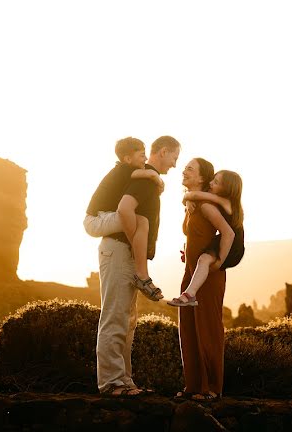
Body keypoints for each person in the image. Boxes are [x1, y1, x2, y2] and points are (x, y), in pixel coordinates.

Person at [95, 135, 181, 397]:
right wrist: (136, 245)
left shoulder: (144, 176)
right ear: (163, 152)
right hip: (121, 250)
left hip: (124, 251)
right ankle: (111, 383)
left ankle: (124, 380)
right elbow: (124, 210)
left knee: (127, 320)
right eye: (175, 158)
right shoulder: (146, 179)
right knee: (116, 317)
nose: (175, 165)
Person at [174, 158, 236, 401]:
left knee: (207, 328)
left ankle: (211, 388)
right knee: (189, 329)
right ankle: (193, 386)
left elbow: (228, 232)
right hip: (191, 273)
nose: (184, 170)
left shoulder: (206, 206)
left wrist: (219, 261)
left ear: (202, 178)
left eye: (190, 168)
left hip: (208, 277)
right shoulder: (192, 204)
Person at [85, 137, 164, 292]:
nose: (146, 158)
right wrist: (156, 178)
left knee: (141, 221)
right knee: (142, 221)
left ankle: (141, 271)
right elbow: (146, 174)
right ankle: (142, 275)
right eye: (142, 155)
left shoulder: (124, 170)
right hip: (94, 220)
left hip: (99, 219)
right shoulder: (123, 170)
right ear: (128, 159)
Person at [168, 169, 243, 307]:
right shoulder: (219, 199)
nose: (210, 183)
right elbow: (191, 195)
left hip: (233, 246)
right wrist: (188, 200)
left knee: (204, 259)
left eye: (216, 182)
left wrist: (220, 260)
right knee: (203, 260)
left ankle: (189, 295)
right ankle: (189, 294)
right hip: (223, 239)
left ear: (226, 189)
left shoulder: (225, 201)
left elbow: (230, 234)